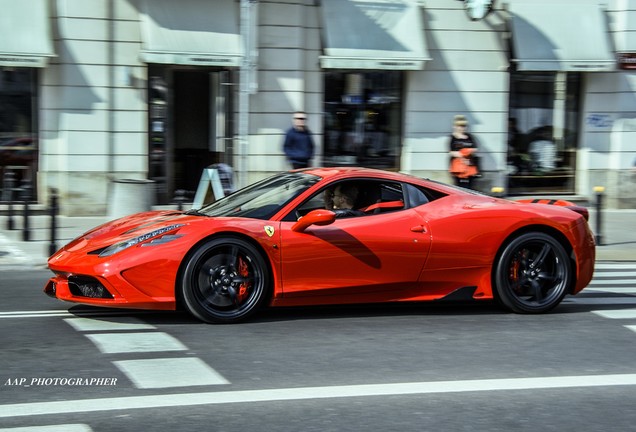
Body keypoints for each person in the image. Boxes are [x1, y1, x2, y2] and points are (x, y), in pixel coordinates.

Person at [448, 115, 480, 189]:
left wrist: (466, 152)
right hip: (457, 167)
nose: (462, 128)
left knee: (470, 187)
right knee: (458, 187)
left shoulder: (470, 137)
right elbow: (451, 152)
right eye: (460, 126)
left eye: (464, 126)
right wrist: (464, 154)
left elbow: (475, 149)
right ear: (455, 126)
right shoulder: (453, 137)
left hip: (470, 166)